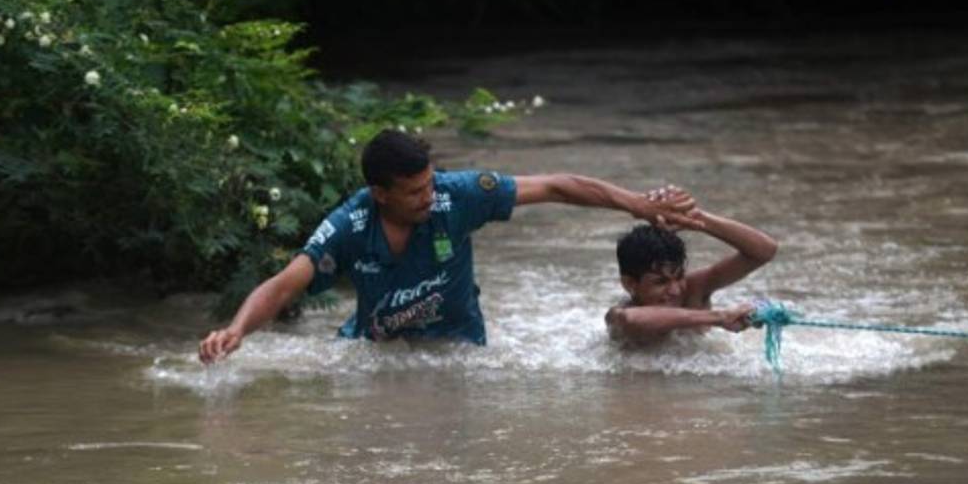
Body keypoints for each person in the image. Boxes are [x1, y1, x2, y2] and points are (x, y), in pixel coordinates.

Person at [199, 129, 703, 361]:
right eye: (414, 191)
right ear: (380, 194)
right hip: (376, 353)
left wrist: (634, 204)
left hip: (462, 351)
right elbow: (287, 284)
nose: (428, 195)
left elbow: (556, 185)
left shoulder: (456, 195)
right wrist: (237, 329)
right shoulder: (350, 224)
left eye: (430, 182)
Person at [605, 194, 778, 345]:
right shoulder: (618, 316)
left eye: (679, 277)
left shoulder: (694, 289)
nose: (675, 290)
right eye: (661, 282)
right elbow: (632, 319)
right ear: (629, 284)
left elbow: (764, 251)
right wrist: (720, 318)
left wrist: (698, 220)